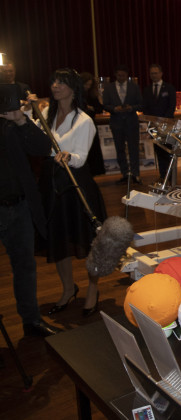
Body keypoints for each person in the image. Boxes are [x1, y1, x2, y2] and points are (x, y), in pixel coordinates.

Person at [33, 68, 108, 318]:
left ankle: (93, 289)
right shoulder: (45, 113)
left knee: (89, 242)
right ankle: (67, 289)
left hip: (76, 184)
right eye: (53, 81)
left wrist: (69, 155)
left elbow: (81, 157)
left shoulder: (84, 120)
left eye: (61, 83)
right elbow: (34, 141)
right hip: (51, 184)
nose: (55, 86)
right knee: (58, 240)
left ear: (72, 88)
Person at [0, 85, 62, 337]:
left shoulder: (14, 125)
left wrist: (21, 119)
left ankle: (31, 321)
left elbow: (42, 147)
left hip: (20, 206)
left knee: (25, 266)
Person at [102, 64, 143, 184]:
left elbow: (141, 104)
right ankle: (125, 174)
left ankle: (135, 174)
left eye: (123, 76)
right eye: (119, 75)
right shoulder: (108, 88)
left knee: (133, 149)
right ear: (115, 75)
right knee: (119, 149)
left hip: (131, 122)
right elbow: (105, 105)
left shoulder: (134, 87)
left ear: (127, 75)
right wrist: (114, 109)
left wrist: (131, 108)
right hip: (116, 122)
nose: (121, 77)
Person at [143, 64, 176, 180]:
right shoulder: (147, 90)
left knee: (168, 150)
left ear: (161, 74)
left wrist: (162, 122)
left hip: (167, 126)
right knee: (159, 151)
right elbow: (145, 108)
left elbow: (171, 107)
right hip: (154, 126)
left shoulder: (169, 88)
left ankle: (171, 176)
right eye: (152, 73)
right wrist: (153, 122)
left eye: (156, 73)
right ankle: (163, 176)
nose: (154, 75)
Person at [80, 72, 105, 176]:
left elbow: (100, 108)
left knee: (93, 150)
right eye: (86, 84)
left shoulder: (92, 95)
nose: (87, 87)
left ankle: (93, 172)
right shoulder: (77, 95)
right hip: (80, 126)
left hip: (90, 124)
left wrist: (91, 108)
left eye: (89, 85)